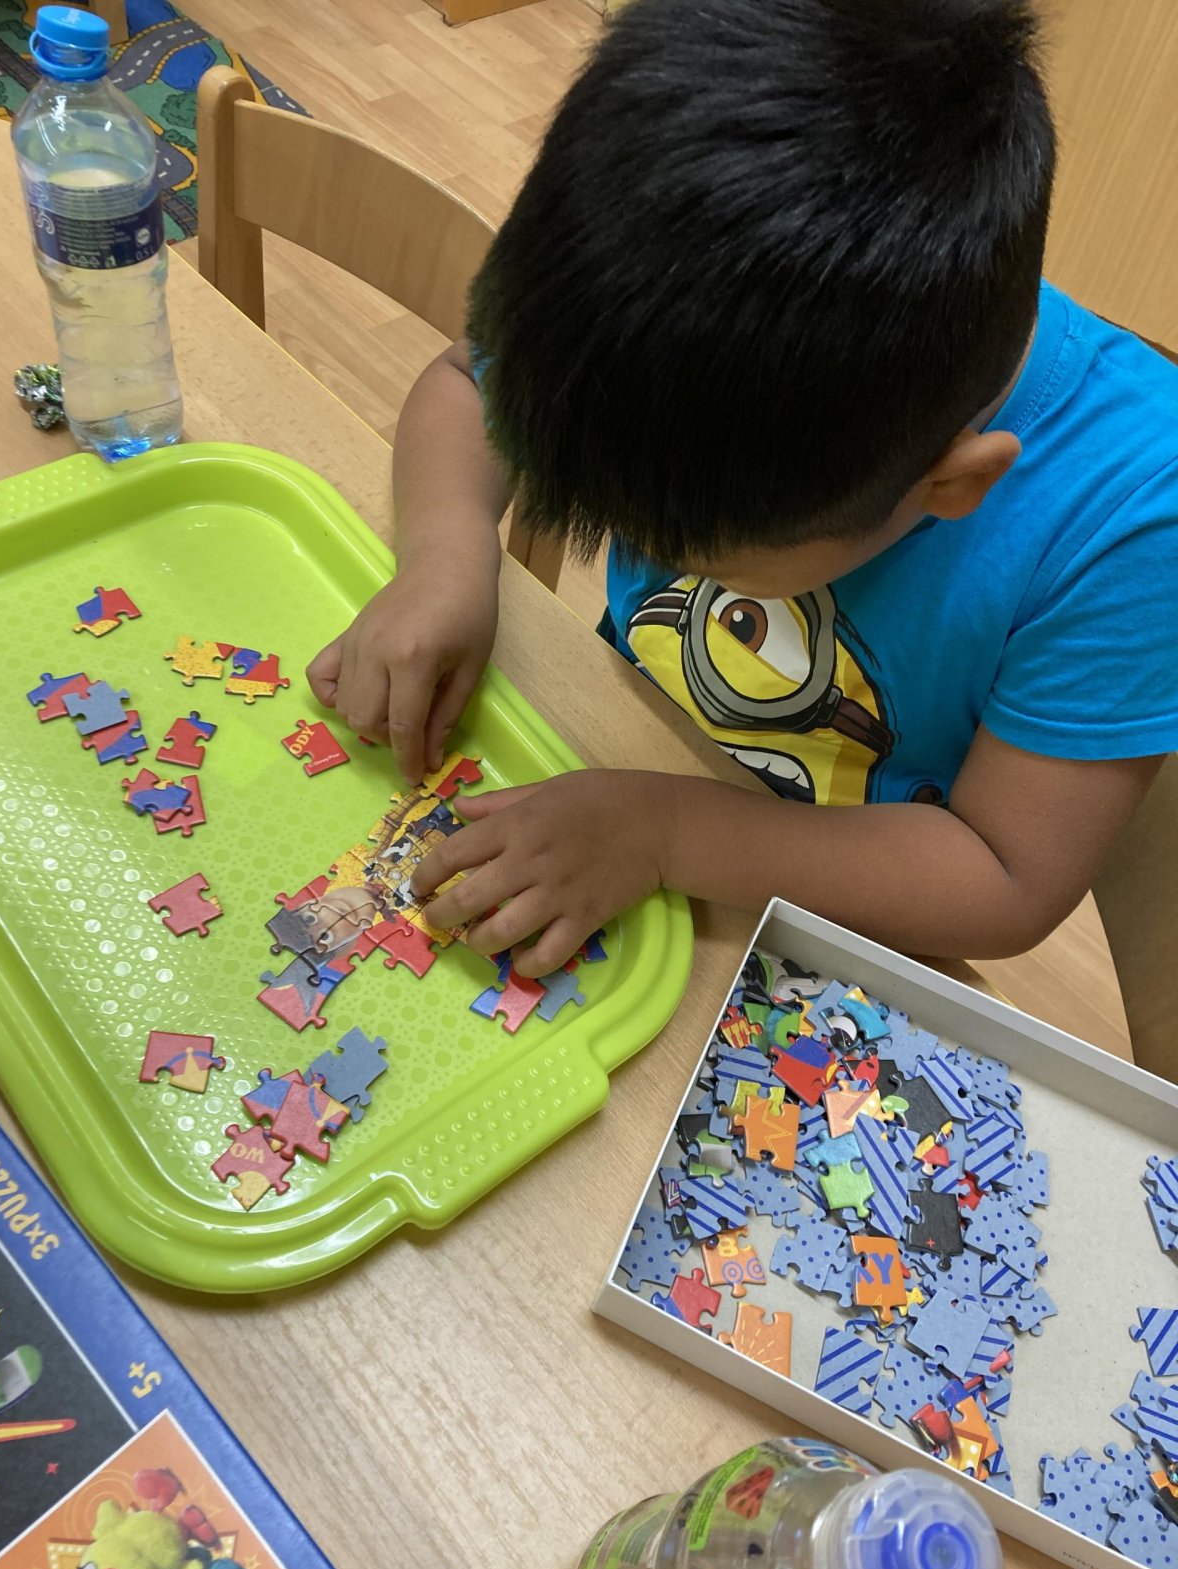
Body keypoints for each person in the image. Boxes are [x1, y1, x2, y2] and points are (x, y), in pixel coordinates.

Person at [307, 0, 1178, 978]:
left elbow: (1003, 876)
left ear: (952, 485)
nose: (638, 551)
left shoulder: (1136, 516)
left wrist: (664, 832)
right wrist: (446, 555)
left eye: (692, 554)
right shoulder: (651, 264)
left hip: (818, 915)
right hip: (620, 743)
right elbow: (470, 383)